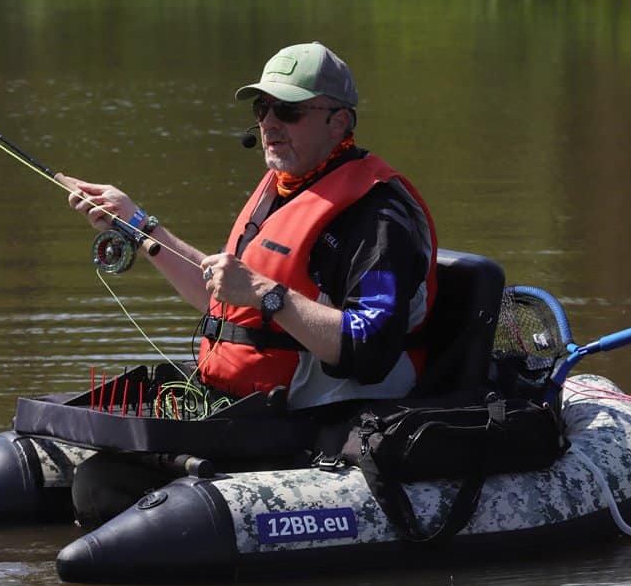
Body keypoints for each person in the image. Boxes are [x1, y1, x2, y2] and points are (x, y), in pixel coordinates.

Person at [65, 42, 439, 412]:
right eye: (262, 108)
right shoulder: (283, 187)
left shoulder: (377, 216)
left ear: (338, 121)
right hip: (252, 409)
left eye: (288, 110)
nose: (270, 122)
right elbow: (224, 297)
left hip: (329, 420)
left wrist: (267, 294)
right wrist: (136, 223)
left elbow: (371, 348)